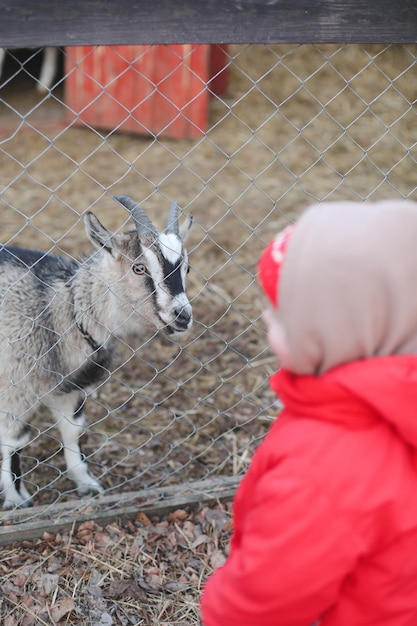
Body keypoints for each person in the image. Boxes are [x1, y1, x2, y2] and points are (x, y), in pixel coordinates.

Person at [200, 200, 417, 626]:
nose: (266, 317)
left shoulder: (323, 468)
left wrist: (222, 608)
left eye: (284, 315)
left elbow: (258, 607)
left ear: (344, 331)